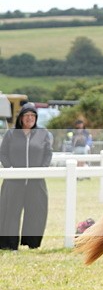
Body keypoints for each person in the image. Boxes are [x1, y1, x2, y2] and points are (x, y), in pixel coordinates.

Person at [0, 103, 53, 250]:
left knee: (36, 212)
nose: (30, 118)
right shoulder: (11, 134)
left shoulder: (43, 133)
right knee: (10, 212)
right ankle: (9, 245)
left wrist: (42, 169)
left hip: (36, 182)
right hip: (13, 181)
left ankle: (32, 243)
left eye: (33, 116)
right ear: (21, 118)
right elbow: (2, 153)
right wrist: (9, 168)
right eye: (27, 115)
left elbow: (48, 153)